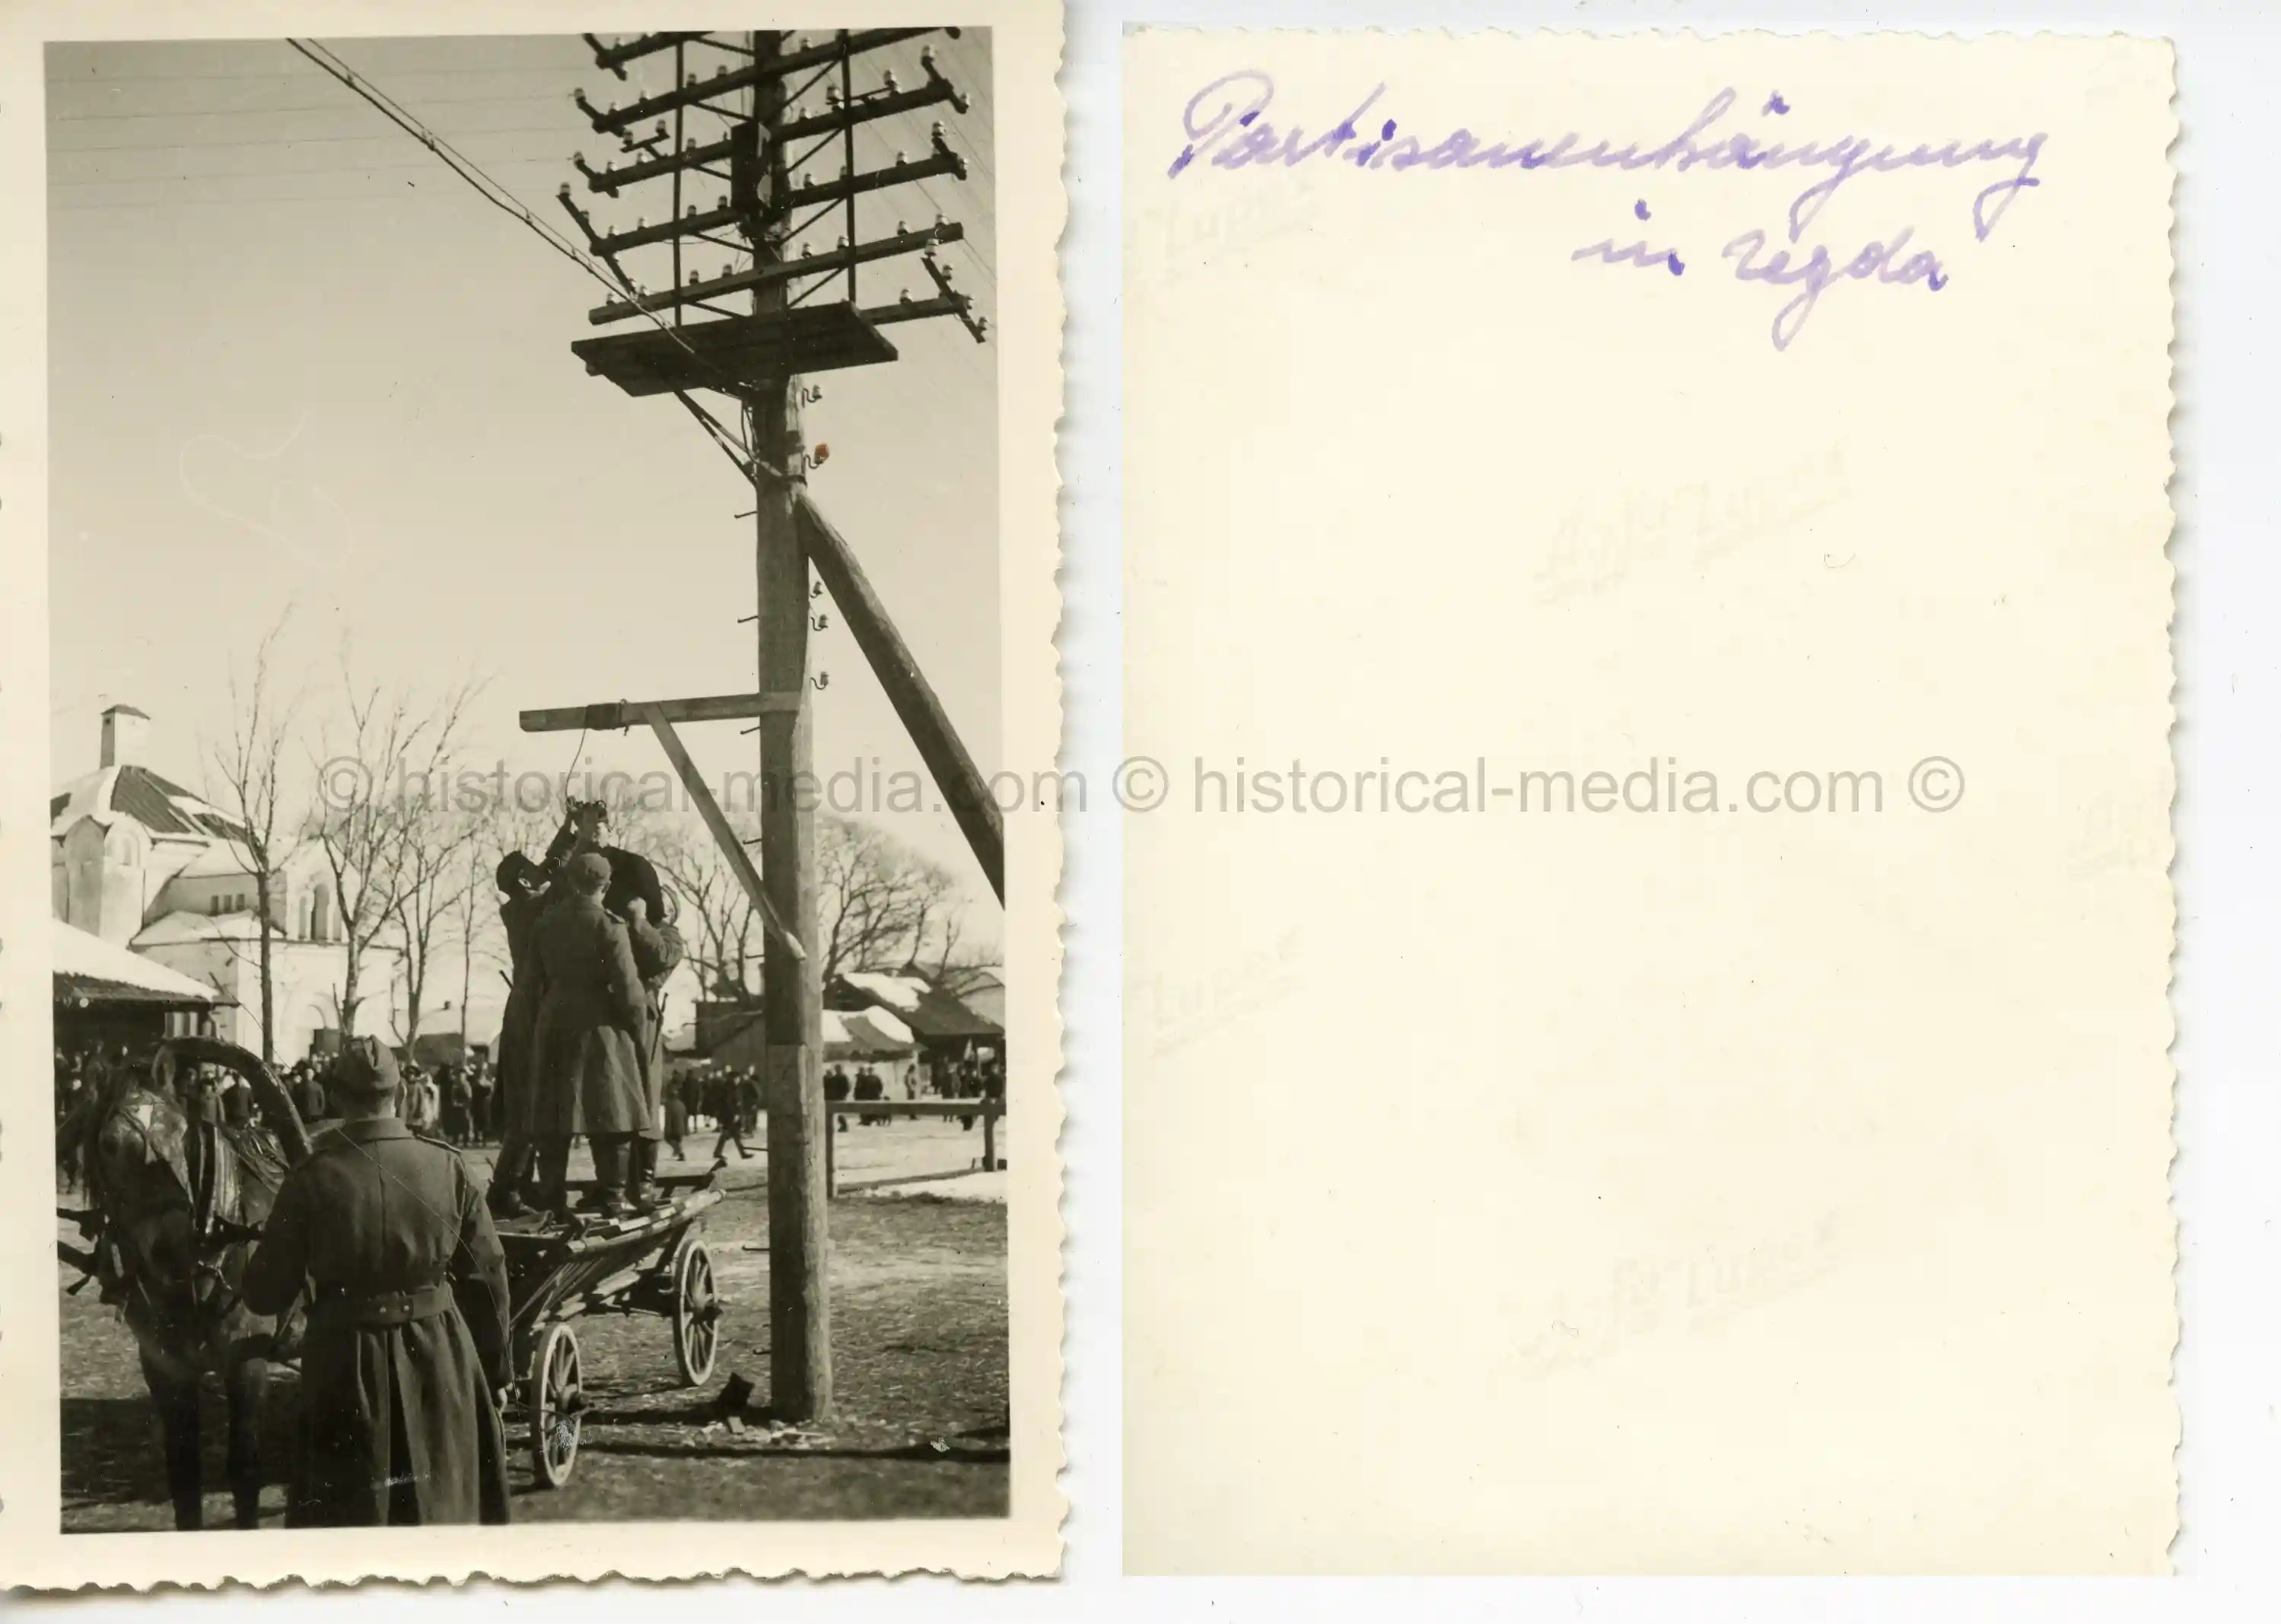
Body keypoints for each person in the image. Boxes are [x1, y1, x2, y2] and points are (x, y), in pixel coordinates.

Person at [240, 1037, 511, 1526]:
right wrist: (495, 1371)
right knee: (443, 1510)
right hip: (441, 1357)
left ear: (338, 1099)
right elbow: (488, 1279)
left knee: (349, 1521)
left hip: (345, 1364)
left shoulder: (310, 1177)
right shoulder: (448, 1165)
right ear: (401, 1096)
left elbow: (264, 1293)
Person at [527, 852, 649, 1217]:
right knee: (612, 1109)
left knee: (553, 1112)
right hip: (600, 1026)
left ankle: (550, 1199)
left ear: (567, 882)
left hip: (553, 1021)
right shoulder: (611, 926)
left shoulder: (545, 923)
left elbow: (531, 982)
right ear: (606, 887)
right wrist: (636, 1028)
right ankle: (613, 1195)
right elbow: (628, 989)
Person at [612, 854, 684, 1209]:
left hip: (645, 1023)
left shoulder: (669, 936)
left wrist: (639, 921)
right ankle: (615, 1182)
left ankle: (644, 1181)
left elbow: (657, 957)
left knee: (644, 1098)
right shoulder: (624, 929)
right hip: (616, 1017)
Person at [712, 1068, 754, 1162]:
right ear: (734, 1078)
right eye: (737, 1078)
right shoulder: (730, 1089)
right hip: (730, 1115)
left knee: (734, 1135)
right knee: (729, 1134)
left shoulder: (732, 1087)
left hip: (732, 1115)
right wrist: (735, 1114)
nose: (738, 1079)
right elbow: (729, 1103)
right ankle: (719, 1152)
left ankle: (740, 1153)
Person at [662, 1069, 689, 1162]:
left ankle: (679, 1152)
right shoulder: (681, 1104)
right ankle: (677, 1152)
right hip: (681, 1128)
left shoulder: (670, 1105)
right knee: (677, 1141)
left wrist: (667, 1130)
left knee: (669, 1139)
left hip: (674, 1128)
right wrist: (686, 1129)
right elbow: (685, 1117)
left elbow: (668, 1119)